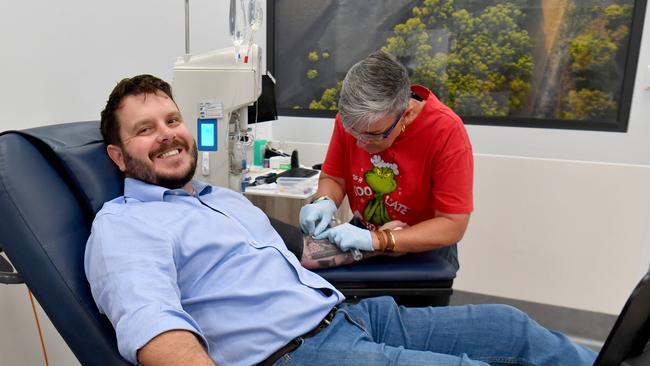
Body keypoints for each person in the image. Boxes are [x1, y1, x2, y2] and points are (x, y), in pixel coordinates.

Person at [85, 74, 597, 366]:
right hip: (297, 352)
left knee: (511, 327)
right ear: (116, 155)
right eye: (145, 130)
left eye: (173, 120)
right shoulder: (125, 225)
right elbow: (152, 324)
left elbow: (292, 258)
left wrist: (354, 239)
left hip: (350, 313)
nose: (169, 134)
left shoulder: (222, 199)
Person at [300, 51, 472, 269]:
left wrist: (379, 240)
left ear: (406, 114)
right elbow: (334, 177)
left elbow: (452, 224)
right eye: (353, 132)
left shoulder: (446, 131)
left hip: (423, 251)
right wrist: (324, 201)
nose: (361, 143)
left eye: (373, 135)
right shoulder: (354, 121)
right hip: (361, 234)